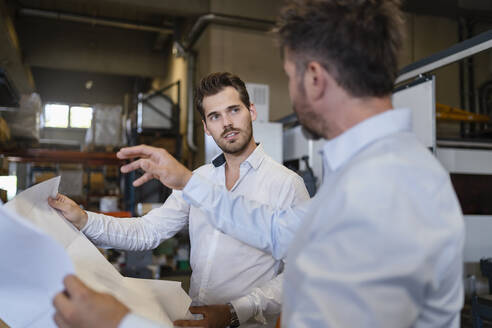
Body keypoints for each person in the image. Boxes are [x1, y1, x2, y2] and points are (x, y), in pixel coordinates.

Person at [54, 0, 465, 327]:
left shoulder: (381, 188)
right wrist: (91, 216)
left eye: (289, 74)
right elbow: (273, 230)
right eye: (214, 116)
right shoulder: (373, 173)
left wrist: (120, 324)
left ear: (315, 77)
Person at [50, 72, 309, 328]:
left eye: (234, 110)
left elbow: (300, 273)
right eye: (215, 116)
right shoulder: (198, 179)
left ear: (251, 111)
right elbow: (147, 231)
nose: (227, 123)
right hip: (194, 319)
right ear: (206, 128)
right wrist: (83, 219)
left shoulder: (286, 184)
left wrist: (234, 312)